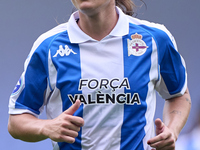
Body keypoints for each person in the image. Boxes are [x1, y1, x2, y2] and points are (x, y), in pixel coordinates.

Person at [8, 0, 191, 150]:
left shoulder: (155, 38)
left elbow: (179, 94)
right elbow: (17, 120)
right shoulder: (48, 47)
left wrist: (172, 131)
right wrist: (46, 127)